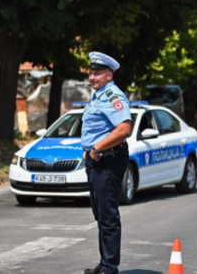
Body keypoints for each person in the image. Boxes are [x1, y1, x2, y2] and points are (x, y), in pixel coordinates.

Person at [81, 52, 132, 274]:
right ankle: (105, 264)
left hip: (108, 160)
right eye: (91, 73)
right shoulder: (99, 95)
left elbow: (124, 129)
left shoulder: (113, 96)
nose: (92, 77)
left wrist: (96, 148)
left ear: (109, 75)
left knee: (108, 215)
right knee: (100, 214)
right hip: (98, 160)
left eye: (97, 74)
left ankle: (110, 267)